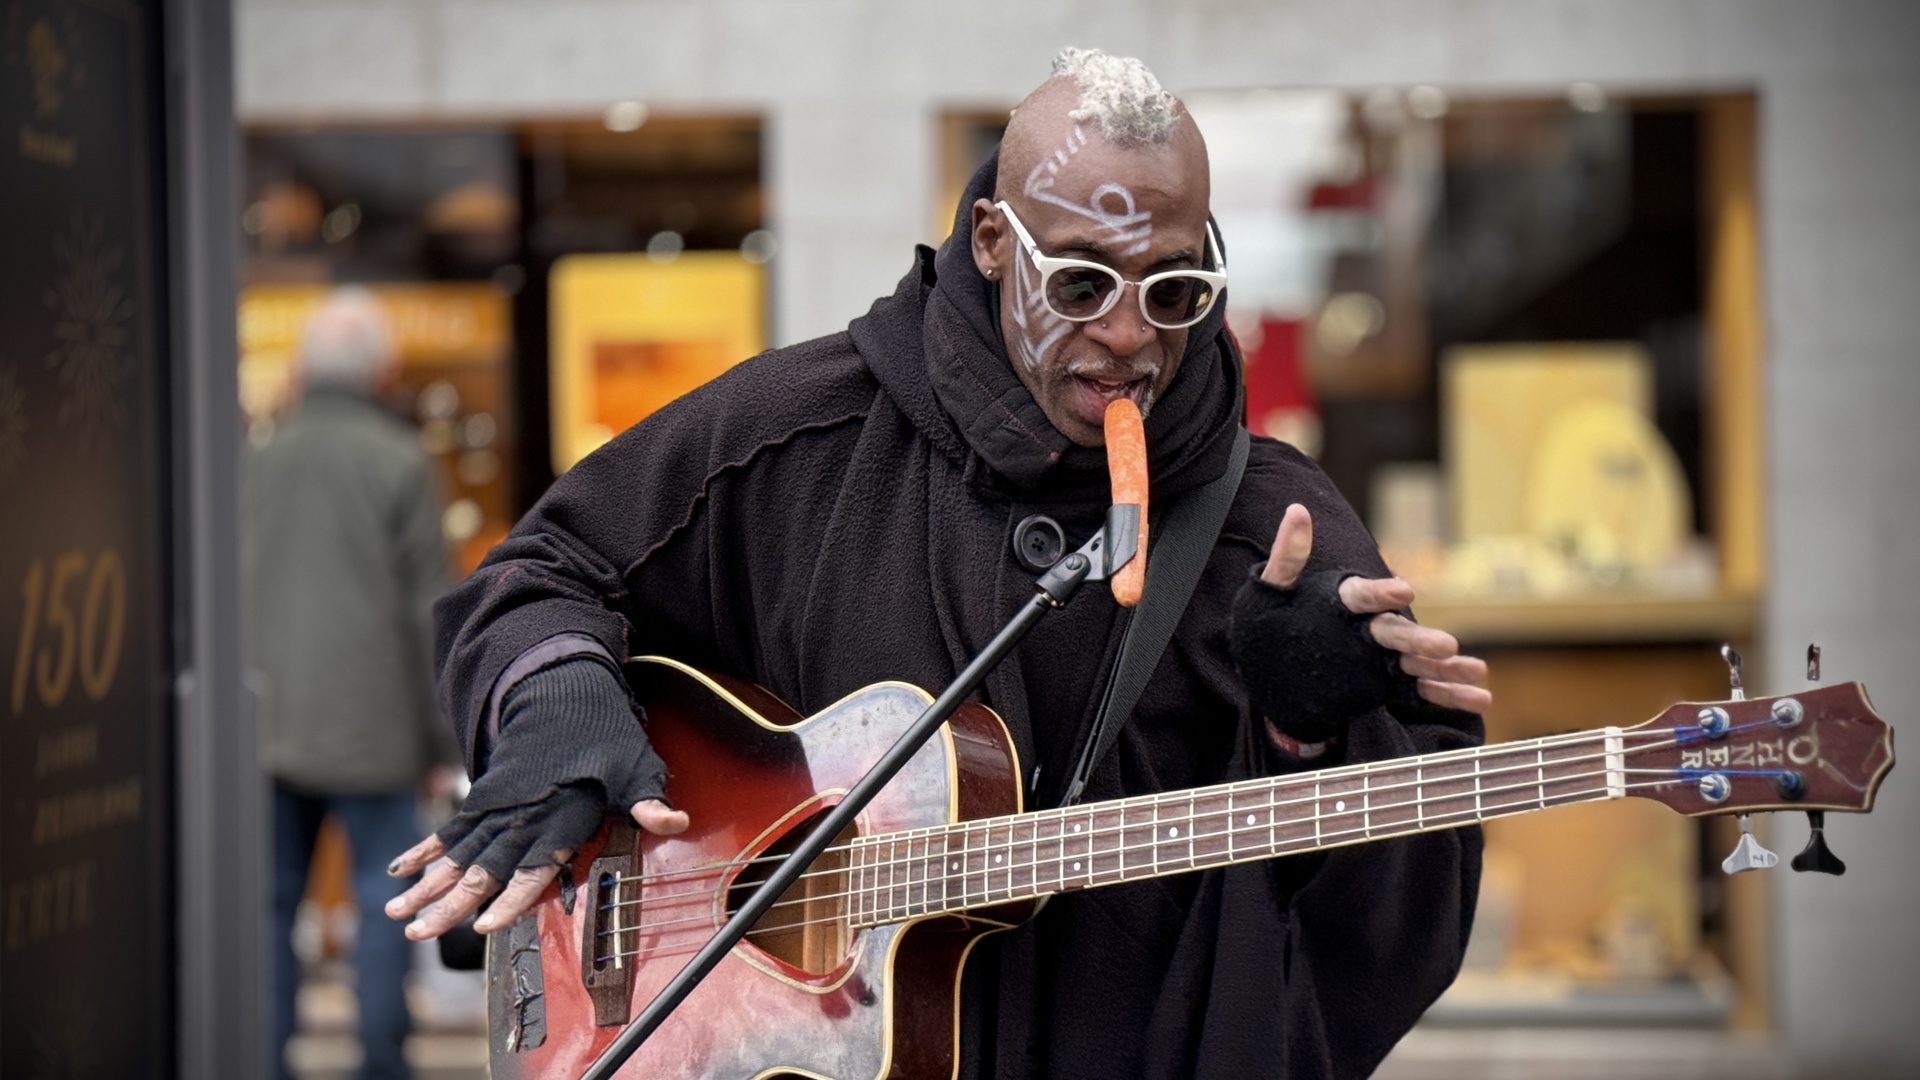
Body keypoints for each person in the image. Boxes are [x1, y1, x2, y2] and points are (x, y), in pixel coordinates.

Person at [389, 49, 1491, 1080]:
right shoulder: (795, 432)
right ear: (992, 241)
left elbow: (1399, 903)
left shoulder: (1276, 529)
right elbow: (544, 567)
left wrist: (1314, 739)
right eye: (1080, 285)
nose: (1128, 337)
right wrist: (560, 699)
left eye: (1172, 295)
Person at [249, 288, 455, 1080]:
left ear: (303, 368)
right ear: (384, 371)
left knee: (272, 910)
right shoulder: (399, 461)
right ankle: (380, 1068)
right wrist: (445, 737)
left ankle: (265, 1061)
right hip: (376, 733)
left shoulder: (255, 456)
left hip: (269, 726)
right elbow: (426, 612)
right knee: (385, 906)